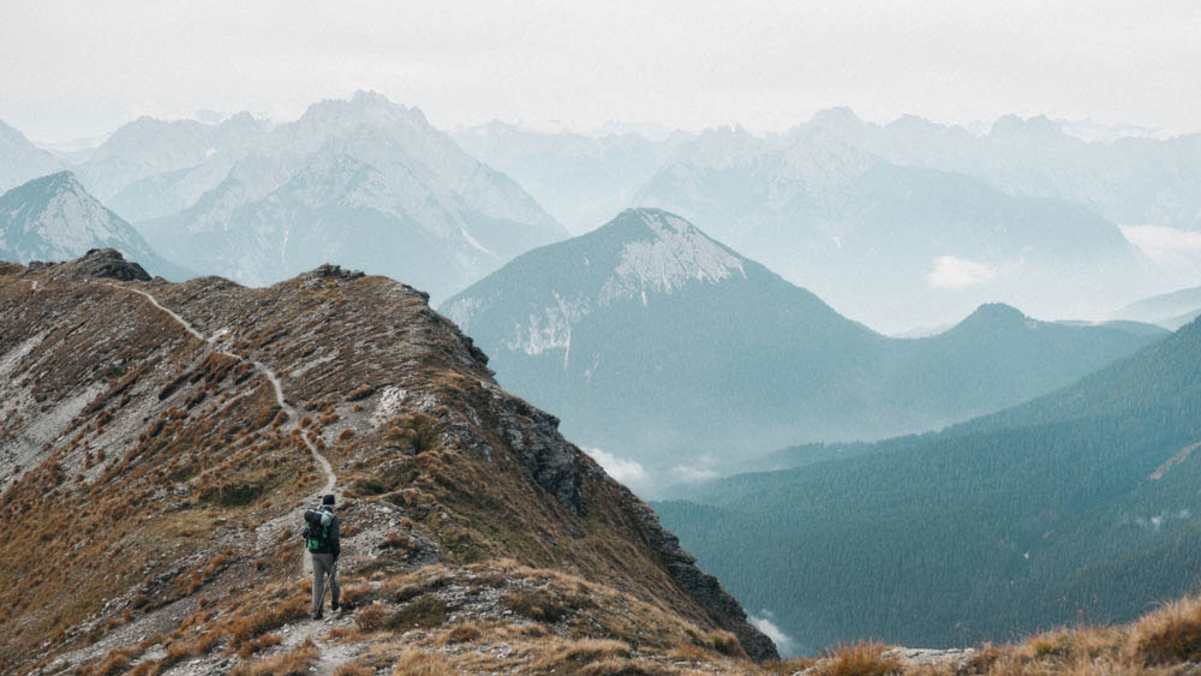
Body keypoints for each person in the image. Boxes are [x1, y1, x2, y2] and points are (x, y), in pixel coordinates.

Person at [303, 494, 341, 619]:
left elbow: (305, 533)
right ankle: (335, 603)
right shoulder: (332, 518)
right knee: (333, 578)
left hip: (314, 552)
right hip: (328, 553)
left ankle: (317, 611)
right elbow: (334, 538)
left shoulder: (315, 516)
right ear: (333, 504)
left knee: (317, 582)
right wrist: (336, 553)